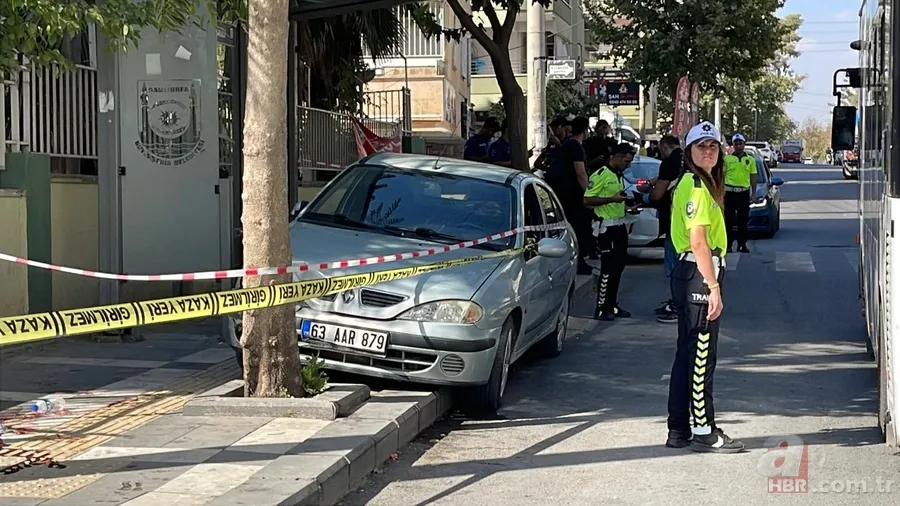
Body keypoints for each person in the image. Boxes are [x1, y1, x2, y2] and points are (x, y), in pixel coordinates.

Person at [665, 121, 744, 454]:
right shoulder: (697, 187)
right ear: (689, 152)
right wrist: (713, 285)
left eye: (713, 146)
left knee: (687, 353)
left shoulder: (696, 183)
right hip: (699, 273)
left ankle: (679, 429)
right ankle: (704, 431)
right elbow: (699, 241)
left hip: (690, 272)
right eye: (701, 146)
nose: (708, 151)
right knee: (701, 358)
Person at [584, 142, 637, 320]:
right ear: (617, 156)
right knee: (608, 268)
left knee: (619, 267)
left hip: (620, 225)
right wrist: (611, 199)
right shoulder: (601, 174)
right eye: (626, 161)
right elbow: (587, 200)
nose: (628, 165)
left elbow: (617, 198)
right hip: (606, 228)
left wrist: (628, 204)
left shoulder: (618, 174)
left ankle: (612, 304)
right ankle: (601, 307)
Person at [548, 116, 592, 275]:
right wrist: (589, 194)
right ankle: (579, 262)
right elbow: (580, 173)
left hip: (563, 193)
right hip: (572, 195)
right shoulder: (576, 147)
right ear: (585, 130)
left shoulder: (567, 145)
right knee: (579, 228)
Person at [649, 135, 685, 324]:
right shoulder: (687, 159)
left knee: (673, 266)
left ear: (664, 146)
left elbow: (657, 195)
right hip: (689, 219)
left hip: (672, 220)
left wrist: (646, 195)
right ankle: (684, 303)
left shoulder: (668, 162)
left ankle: (676, 305)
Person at [722, 134, 758, 253]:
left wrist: (753, 193)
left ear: (744, 144)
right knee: (729, 220)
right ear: (733, 145)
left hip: (743, 193)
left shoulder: (750, 159)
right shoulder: (727, 159)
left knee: (743, 220)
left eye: (740, 144)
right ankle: (728, 244)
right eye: (736, 144)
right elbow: (721, 176)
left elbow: (753, 177)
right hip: (730, 193)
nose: (738, 146)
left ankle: (742, 244)